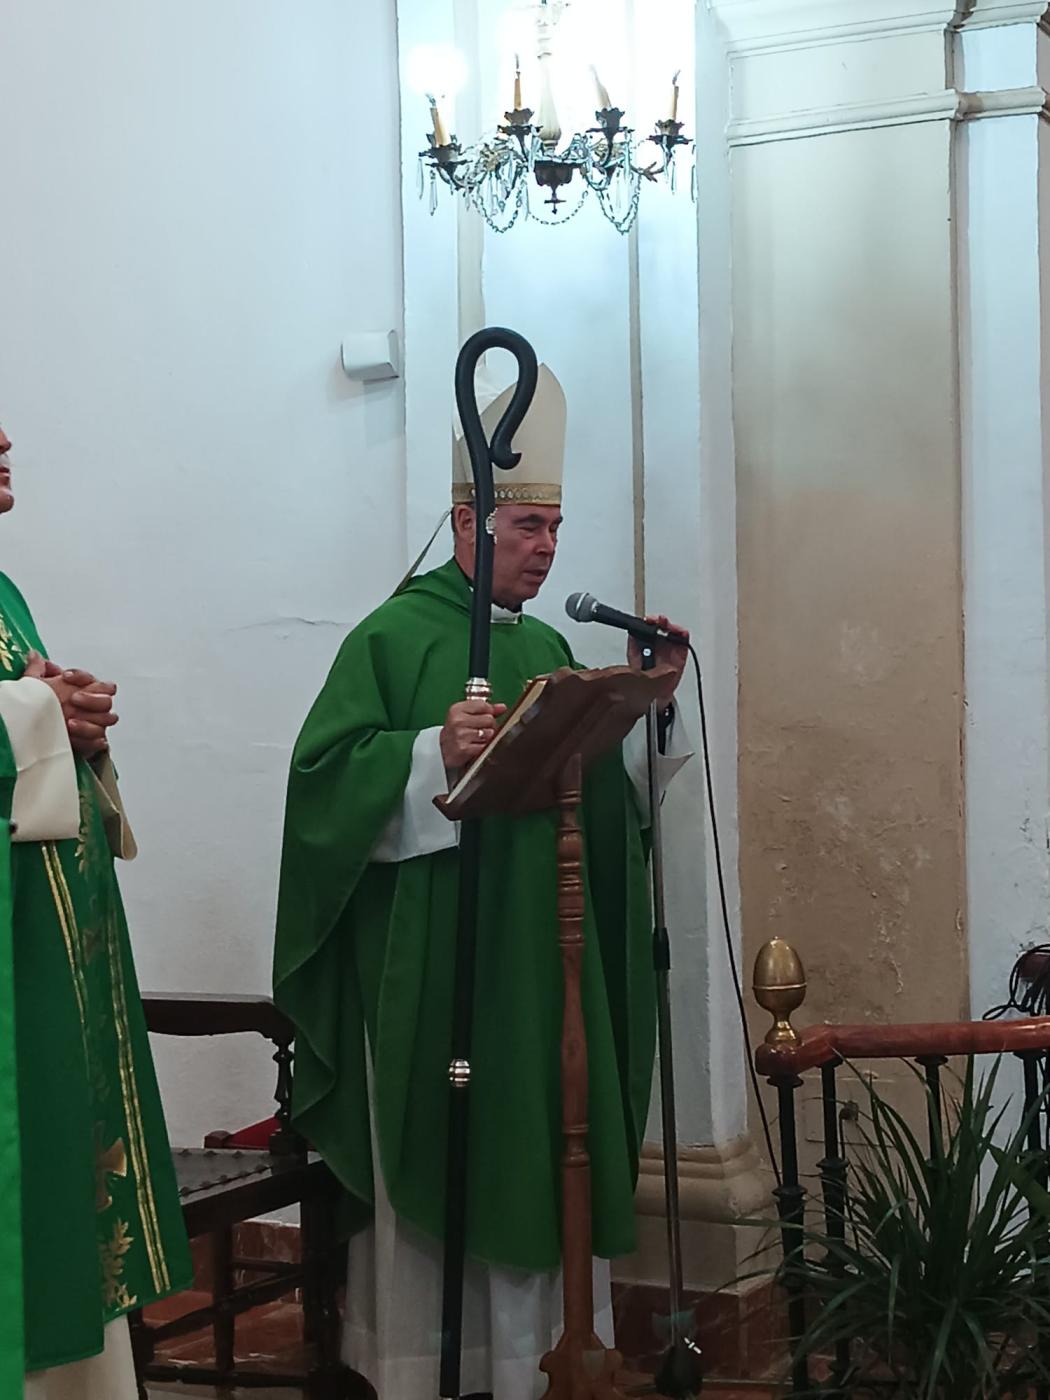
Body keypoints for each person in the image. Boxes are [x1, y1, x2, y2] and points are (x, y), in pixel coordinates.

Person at [274, 366, 691, 1400]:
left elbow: (598, 803)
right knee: (454, 1162)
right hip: (436, 973)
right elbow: (320, 790)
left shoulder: (548, 647)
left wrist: (649, 708)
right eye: (531, 525)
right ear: (469, 519)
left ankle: (543, 1361)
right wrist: (424, 751)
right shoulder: (393, 637)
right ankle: (437, 1371)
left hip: (544, 968)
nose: (549, 547)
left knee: (544, 1144)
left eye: (557, 528)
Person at [0, 423, 191, 1400]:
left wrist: (62, 715)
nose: (3, 439)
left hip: (46, 970)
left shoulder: (6, 594)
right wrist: (32, 713)